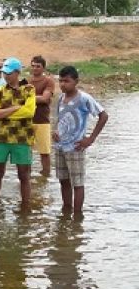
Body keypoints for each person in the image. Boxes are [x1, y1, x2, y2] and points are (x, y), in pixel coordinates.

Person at [53, 65, 108, 214]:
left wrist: (90, 139)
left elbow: (103, 116)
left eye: (67, 81)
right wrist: (55, 131)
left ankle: (77, 216)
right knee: (63, 180)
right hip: (60, 146)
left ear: (76, 81)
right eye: (61, 81)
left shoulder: (84, 98)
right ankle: (66, 210)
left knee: (77, 183)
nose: (63, 84)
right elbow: (62, 118)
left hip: (76, 147)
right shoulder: (60, 98)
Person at [0, 57, 36, 208]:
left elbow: (29, 112)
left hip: (22, 138)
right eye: (4, 73)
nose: (5, 76)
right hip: (1, 137)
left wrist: (3, 112)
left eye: (9, 73)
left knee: (24, 175)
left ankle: (25, 206)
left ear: (17, 72)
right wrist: (15, 108)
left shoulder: (29, 89)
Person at [28, 55, 56, 176]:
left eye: (38, 66)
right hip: (27, 120)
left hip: (42, 120)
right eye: (33, 66)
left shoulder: (48, 81)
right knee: (25, 151)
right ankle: (26, 175)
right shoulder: (27, 81)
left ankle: (46, 175)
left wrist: (27, 98)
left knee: (44, 152)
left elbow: (45, 99)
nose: (35, 68)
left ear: (43, 68)